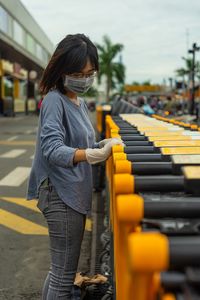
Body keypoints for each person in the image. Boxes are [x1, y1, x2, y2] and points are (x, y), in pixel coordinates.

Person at [26, 34, 122, 299]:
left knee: (60, 272)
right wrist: (91, 155)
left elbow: (83, 142)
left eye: (90, 73)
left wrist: (105, 143)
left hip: (72, 193)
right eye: (79, 73)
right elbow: (53, 150)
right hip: (60, 195)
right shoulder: (55, 100)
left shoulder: (77, 103)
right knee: (63, 277)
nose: (85, 79)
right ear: (62, 70)